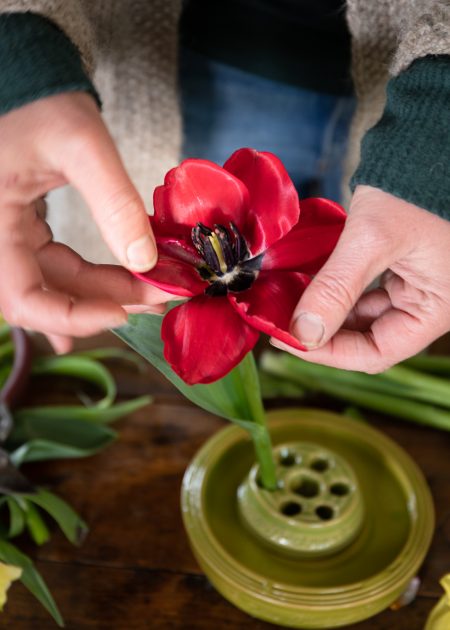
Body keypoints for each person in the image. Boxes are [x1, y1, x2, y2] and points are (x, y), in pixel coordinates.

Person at [0, 1, 449, 372]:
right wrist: (18, 55)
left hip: (403, 78)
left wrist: (438, 138)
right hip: (186, 57)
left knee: (372, 270)